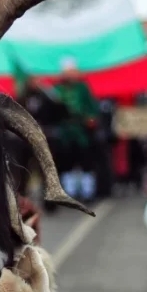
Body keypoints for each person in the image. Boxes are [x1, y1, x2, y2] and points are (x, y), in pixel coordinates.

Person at [52, 57, 101, 203]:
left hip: (82, 132)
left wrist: (91, 118)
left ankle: (87, 192)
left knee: (85, 161)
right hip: (65, 133)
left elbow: (92, 107)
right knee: (67, 163)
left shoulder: (83, 88)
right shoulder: (57, 90)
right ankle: (69, 193)